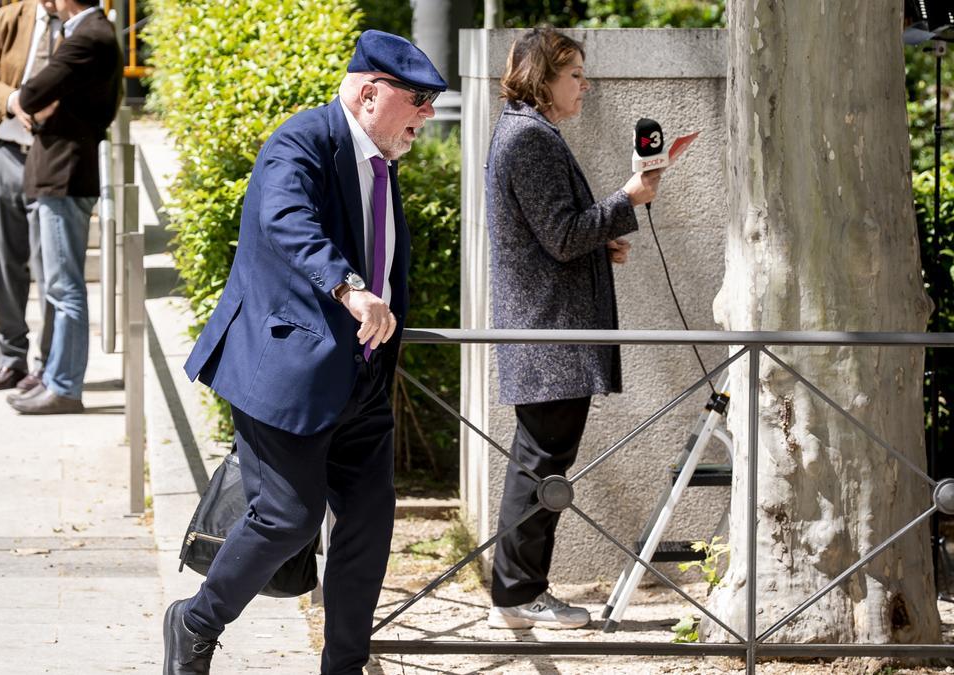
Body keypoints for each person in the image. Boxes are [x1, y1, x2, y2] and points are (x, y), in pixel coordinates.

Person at [162, 30, 446, 675]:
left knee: (369, 527)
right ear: (370, 92)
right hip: (286, 369)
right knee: (288, 517)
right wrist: (351, 289)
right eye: (420, 99)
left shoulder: (382, 159)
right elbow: (287, 220)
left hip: (364, 379)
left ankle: (344, 665)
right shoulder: (302, 141)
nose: (428, 114)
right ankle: (195, 620)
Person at [484, 27, 661, 630]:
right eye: (575, 75)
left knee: (539, 463)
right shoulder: (529, 138)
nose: (585, 86)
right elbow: (560, 235)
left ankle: (518, 591)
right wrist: (629, 198)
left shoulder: (526, 133)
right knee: (540, 466)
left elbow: (554, 236)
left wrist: (598, 243)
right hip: (549, 336)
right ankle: (517, 595)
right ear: (543, 77)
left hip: (548, 333)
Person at [5, 0, 121, 414]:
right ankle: (56, 377)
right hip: (59, 172)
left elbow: (34, 91)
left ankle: (66, 386)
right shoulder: (85, 33)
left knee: (64, 287)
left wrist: (23, 99)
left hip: (65, 174)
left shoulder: (89, 36)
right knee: (57, 286)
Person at [0, 0, 60, 392]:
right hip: (5, 153)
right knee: (5, 263)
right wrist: (12, 100)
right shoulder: (10, 18)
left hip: (54, 159)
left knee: (52, 267)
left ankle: (50, 364)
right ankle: (11, 359)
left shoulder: (82, 23)